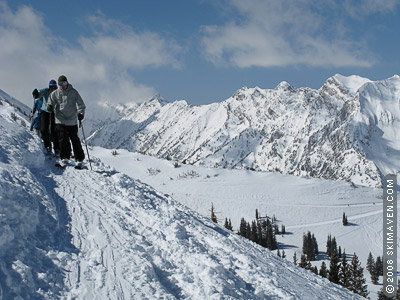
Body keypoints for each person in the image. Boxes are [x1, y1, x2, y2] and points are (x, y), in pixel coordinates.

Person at [48, 75, 86, 167]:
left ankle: (79, 158)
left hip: (71, 119)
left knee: (74, 139)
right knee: (62, 139)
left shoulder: (73, 92)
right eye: (60, 84)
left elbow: (81, 105)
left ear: (67, 82)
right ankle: (64, 157)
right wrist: (49, 106)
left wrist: (81, 114)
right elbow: (50, 102)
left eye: (64, 83)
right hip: (60, 119)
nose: (62, 86)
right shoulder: (56, 93)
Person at [37, 80, 59, 156]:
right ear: (49, 87)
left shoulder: (58, 93)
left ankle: (57, 149)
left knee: (54, 131)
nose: (53, 89)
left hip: (54, 113)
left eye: (55, 87)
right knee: (43, 129)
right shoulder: (46, 91)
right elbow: (39, 94)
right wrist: (36, 93)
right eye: (52, 87)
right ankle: (47, 146)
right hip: (45, 111)